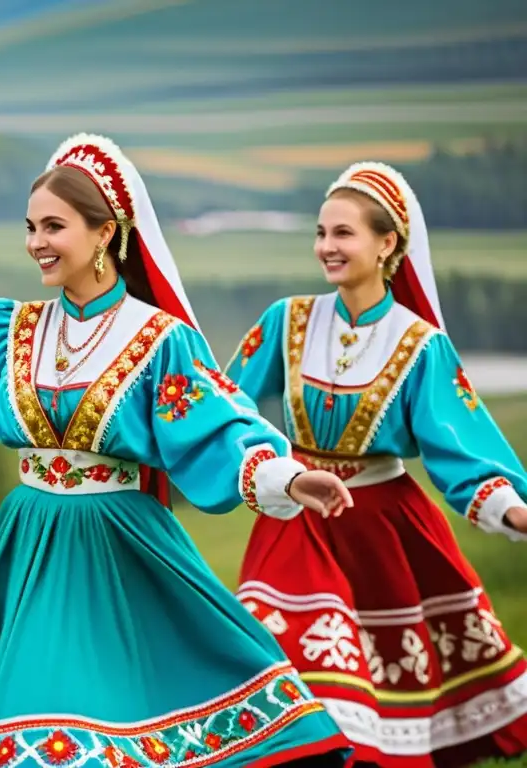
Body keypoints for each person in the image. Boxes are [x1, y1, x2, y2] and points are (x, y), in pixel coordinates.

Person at [0, 133, 355, 767]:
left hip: (116, 544)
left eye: (54, 225)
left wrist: (287, 478)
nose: (36, 242)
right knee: (17, 729)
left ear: (105, 233)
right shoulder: (12, 329)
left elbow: (216, 424)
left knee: (95, 729)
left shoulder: (158, 341)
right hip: (26, 544)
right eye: (30, 226)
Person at [224, 161, 527, 766]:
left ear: (387, 243)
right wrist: (256, 459)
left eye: (343, 234)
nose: (326, 248)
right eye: (321, 233)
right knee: (290, 679)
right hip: (298, 520)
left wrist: (513, 511)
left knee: (381, 701)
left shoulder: (419, 344)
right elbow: (223, 401)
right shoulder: (286, 321)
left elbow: (459, 444)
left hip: (382, 529)